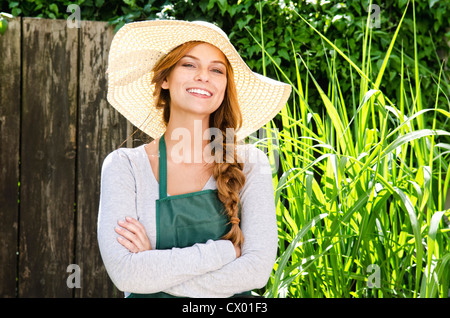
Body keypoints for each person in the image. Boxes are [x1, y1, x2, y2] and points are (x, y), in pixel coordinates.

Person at [97, 20, 291, 298]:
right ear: (165, 78)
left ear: (224, 86)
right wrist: (224, 251)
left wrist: (153, 266)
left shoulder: (250, 165)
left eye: (216, 69)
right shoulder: (125, 167)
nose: (204, 76)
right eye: (189, 65)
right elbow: (126, 274)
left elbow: (256, 271)